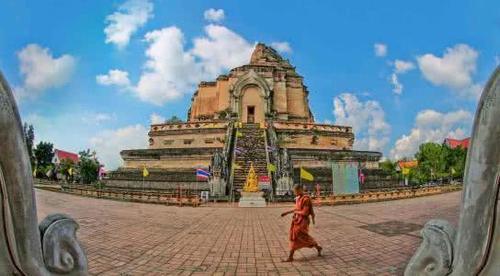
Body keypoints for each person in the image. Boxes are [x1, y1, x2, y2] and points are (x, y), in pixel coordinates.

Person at [281, 184, 322, 262]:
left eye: (295, 191)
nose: (294, 192)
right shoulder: (298, 198)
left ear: (300, 190)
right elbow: (296, 209)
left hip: (303, 221)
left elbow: (305, 213)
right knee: (297, 237)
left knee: (299, 236)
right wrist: (286, 212)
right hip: (297, 220)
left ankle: (291, 257)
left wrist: (296, 212)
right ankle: (317, 247)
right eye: (294, 191)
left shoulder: (306, 199)